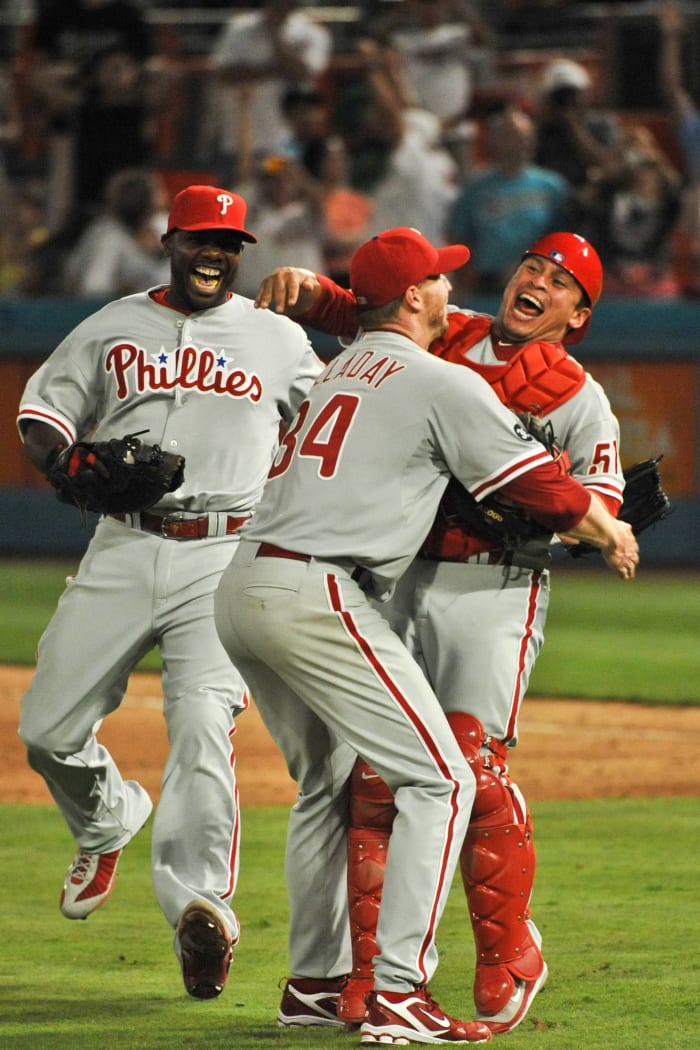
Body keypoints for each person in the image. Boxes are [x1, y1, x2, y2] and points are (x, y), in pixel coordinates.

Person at [215, 226, 638, 1043]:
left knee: (396, 778)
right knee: (419, 778)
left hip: (412, 582)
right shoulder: (449, 359)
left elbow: (373, 307)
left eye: (559, 279)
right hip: (356, 585)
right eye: (533, 265)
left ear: (578, 313)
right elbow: (555, 492)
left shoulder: (373, 360)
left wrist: (594, 517)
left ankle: (422, 964)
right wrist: (602, 531)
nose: (535, 281)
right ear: (420, 298)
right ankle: (390, 985)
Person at [16, 184, 324, 1000]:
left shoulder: (278, 339)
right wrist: (64, 462)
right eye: (200, 240)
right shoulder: (113, 323)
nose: (215, 255)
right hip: (125, 543)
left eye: (229, 243)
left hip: (225, 552)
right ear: (171, 241)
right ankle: (107, 816)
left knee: (199, 723)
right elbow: (41, 412)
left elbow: (336, 423)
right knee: (47, 729)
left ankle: (201, 909)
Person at [447, 103, 570, 295]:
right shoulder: (475, 188)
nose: (520, 143)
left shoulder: (551, 186)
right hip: (489, 283)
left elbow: (562, 239)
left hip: (540, 282)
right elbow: (459, 236)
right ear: (494, 141)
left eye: (524, 136)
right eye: (511, 137)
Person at [64, 167, 170, 298]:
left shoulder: (166, 226)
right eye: (157, 190)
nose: (163, 194)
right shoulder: (107, 235)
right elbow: (94, 289)